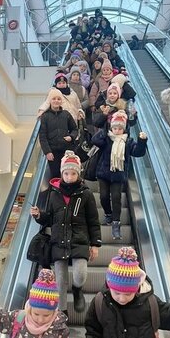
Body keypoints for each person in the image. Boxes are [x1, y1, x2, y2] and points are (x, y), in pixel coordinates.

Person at [30, 151, 101, 313]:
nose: (70, 177)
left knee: (80, 274)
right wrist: (39, 215)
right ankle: (62, 313)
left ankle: (77, 289)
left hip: (79, 240)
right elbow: (50, 219)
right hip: (59, 241)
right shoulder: (53, 193)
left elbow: (93, 221)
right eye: (66, 173)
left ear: (78, 174)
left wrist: (95, 244)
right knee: (60, 281)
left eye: (73, 173)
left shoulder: (86, 194)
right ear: (62, 173)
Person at [91, 111, 147, 239]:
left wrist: (142, 141)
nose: (117, 131)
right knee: (103, 197)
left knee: (116, 198)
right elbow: (95, 140)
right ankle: (108, 214)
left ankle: (116, 224)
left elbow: (138, 152)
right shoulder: (106, 139)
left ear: (124, 129)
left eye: (120, 128)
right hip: (103, 173)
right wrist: (105, 129)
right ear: (111, 128)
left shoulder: (128, 141)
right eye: (115, 128)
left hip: (118, 174)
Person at [38, 91, 78, 179]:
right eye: (54, 99)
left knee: (67, 175)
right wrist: (47, 152)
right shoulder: (45, 116)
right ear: (50, 100)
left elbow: (75, 129)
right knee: (55, 175)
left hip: (66, 151)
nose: (56, 101)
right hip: (53, 152)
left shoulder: (66, 114)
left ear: (61, 101)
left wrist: (71, 137)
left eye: (59, 99)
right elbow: (42, 136)